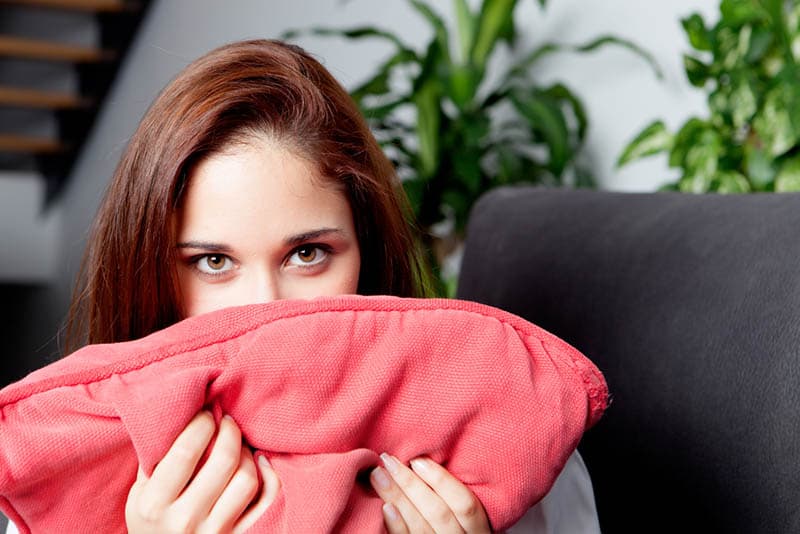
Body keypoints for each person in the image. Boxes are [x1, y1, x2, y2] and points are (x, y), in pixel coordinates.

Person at [4, 39, 599, 533]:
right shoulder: (65, 470)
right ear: (152, 270)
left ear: (366, 249)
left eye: (308, 254)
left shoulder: (513, 440)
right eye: (213, 262)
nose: (266, 311)